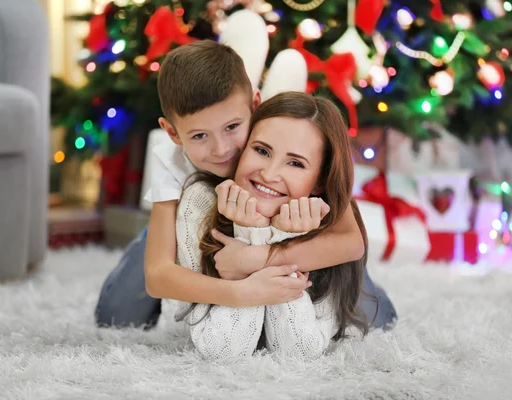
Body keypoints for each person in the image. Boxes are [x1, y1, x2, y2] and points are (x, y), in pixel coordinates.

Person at [94, 40, 397, 330]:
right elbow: (158, 275)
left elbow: (351, 242)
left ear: (254, 104)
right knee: (115, 315)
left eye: (232, 127)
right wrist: (242, 293)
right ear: (172, 133)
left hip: (286, 226)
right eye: (200, 135)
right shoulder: (172, 160)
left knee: (377, 320)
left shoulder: (289, 148)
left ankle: (275, 97)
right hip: (188, 224)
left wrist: (259, 258)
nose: (221, 149)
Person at [173, 91, 369, 360]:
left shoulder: (330, 220)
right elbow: (222, 350)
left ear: (319, 182)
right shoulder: (201, 200)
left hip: (348, 271)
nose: (269, 173)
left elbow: (297, 352)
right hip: (171, 258)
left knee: (377, 312)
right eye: (262, 150)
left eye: (295, 163)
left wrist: (274, 239)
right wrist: (250, 230)